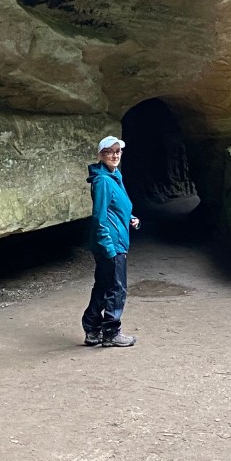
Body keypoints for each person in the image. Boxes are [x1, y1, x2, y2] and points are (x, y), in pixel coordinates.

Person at [81, 135, 140, 348]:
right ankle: (111, 333)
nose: (114, 155)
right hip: (112, 243)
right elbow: (100, 217)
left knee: (104, 285)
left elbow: (116, 206)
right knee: (117, 288)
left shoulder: (113, 175)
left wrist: (129, 217)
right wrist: (108, 246)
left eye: (117, 151)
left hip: (112, 241)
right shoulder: (104, 181)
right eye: (109, 152)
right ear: (101, 155)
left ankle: (92, 328)